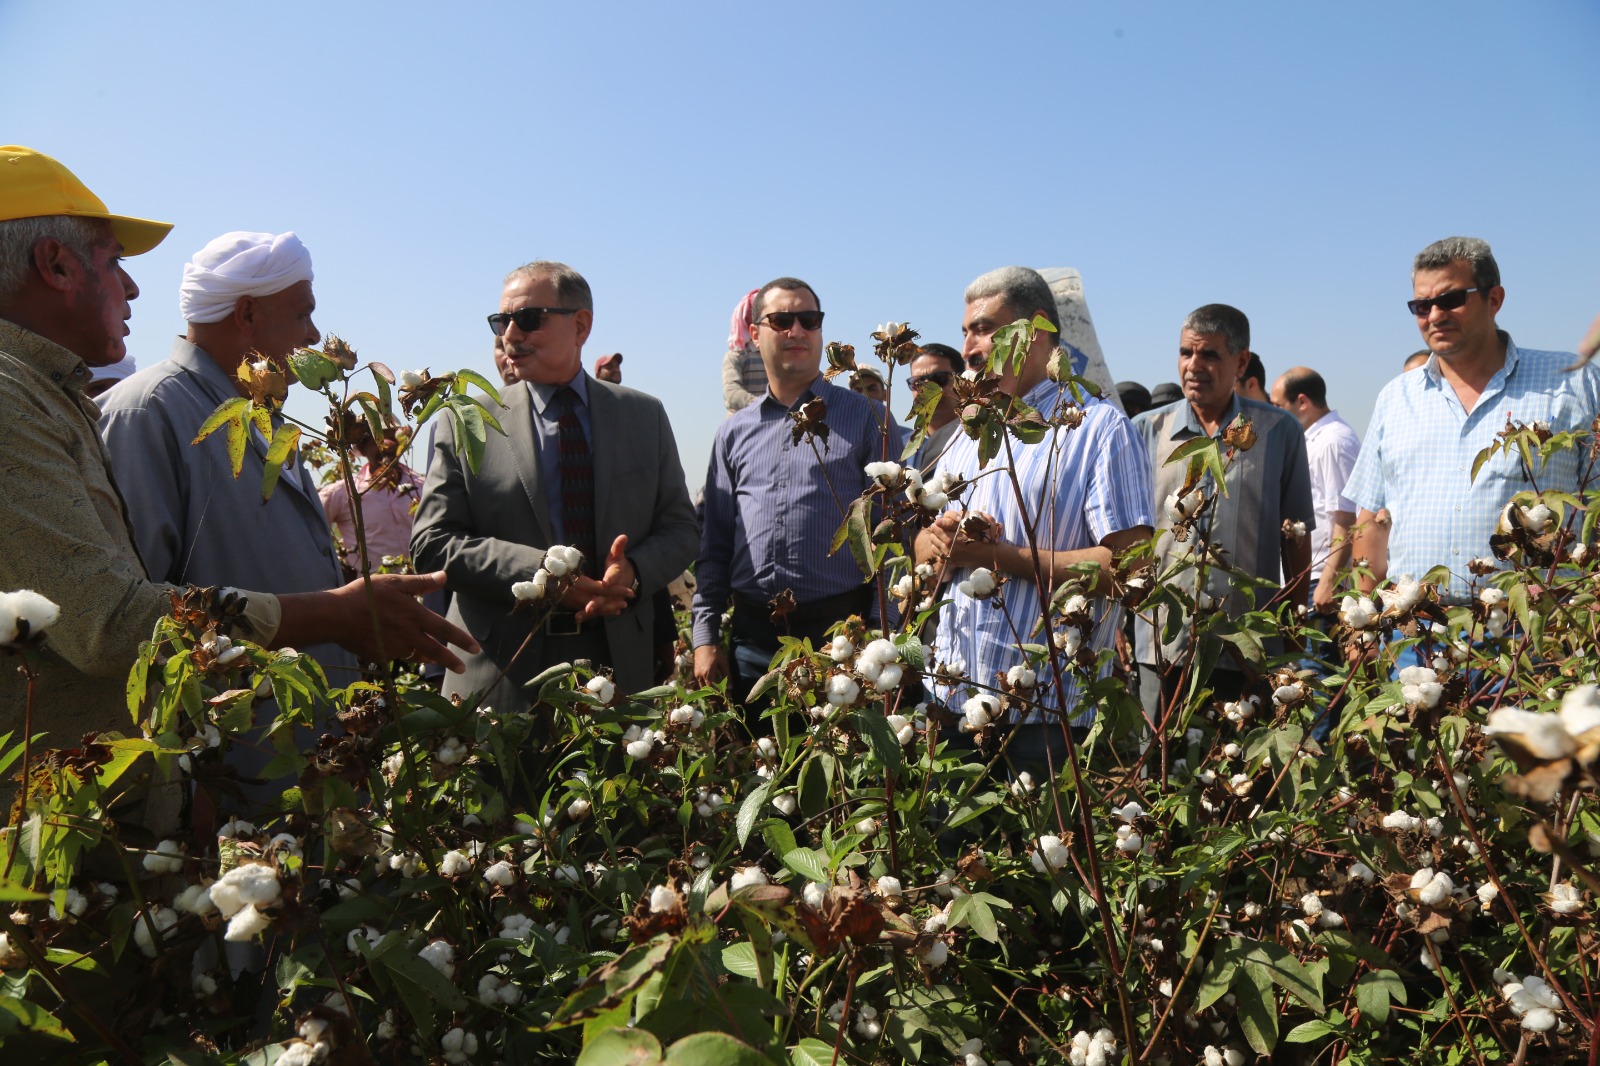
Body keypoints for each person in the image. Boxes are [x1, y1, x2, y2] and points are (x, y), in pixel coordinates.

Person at [0, 146, 476, 793]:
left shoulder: (252, 414)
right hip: (200, 774)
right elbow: (113, 622)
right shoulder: (138, 410)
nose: (313, 337)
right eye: (113, 263)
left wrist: (350, 598)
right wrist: (334, 615)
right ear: (55, 265)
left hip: (270, 759)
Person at [412, 260, 698, 711]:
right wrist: (544, 576)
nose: (510, 335)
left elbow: (682, 528)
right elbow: (431, 543)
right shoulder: (464, 422)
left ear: (580, 325)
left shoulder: (645, 417)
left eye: (527, 319)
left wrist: (634, 573)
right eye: (501, 321)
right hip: (501, 675)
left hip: (618, 663)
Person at [99, 230, 362, 683]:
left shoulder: (267, 417)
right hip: (229, 737)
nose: (315, 335)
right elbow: (132, 618)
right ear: (247, 313)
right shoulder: (148, 413)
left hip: (299, 736)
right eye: (302, 315)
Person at [917, 266, 1154, 763]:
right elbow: (923, 547)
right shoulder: (965, 434)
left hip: (1045, 713)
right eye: (965, 331)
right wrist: (938, 545)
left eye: (985, 329)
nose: (969, 347)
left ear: (1039, 330)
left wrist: (1002, 556)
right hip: (950, 700)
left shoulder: (1097, 429)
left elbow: (1131, 572)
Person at [1345, 237, 1600, 604]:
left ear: (1493, 299)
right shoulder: (1395, 398)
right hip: (1419, 635)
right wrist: (1363, 627)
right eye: (1421, 305)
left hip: (1536, 631)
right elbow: (1370, 516)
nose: (1434, 316)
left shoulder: (1572, 383)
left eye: (1450, 300)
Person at [693, 277, 896, 704]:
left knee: (848, 769)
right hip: (753, 642)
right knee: (761, 766)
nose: (797, 331)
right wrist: (705, 635)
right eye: (782, 320)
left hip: (842, 637)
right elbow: (715, 545)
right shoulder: (733, 433)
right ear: (755, 334)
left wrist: (879, 633)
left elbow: (894, 533)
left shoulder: (867, 419)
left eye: (809, 319)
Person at [1134, 304, 1314, 723]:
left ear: (1241, 361)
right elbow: (1132, 536)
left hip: (1249, 645)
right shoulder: (1147, 430)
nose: (1193, 366)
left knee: (1241, 773)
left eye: (1209, 355)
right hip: (1162, 643)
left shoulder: (1277, 432)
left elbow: (1296, 537)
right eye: (1186, 353)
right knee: (1161, 768)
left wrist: (1291, 636)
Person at [1271, 367, 1360, 613]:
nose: (1274, 414)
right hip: (1307, 577)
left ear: (1302, 402)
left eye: (1278, 406)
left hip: (1320, 579)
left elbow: (1346, 517)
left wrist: (1329, 581)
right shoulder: (1313, 439)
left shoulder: (1333, 441)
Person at [320, 426, 425, 579]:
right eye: (379, 440)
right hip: (371, 595)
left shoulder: (423, 487)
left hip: (423, 588)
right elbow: (309, 531)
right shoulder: (344, 493)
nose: (388, 445)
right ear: (363, 448)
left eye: (394, 438)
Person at [909, 342, 965, 472]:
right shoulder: (898, 448)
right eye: (918, 382)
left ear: (962, 382)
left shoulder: (976, 442)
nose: (928, 389)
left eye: (939, 378)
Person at [722, 288, 767, 413]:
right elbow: (731, 394)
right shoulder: (737, 356)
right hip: (743, 422)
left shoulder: (780, 354)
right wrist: (762, 405)